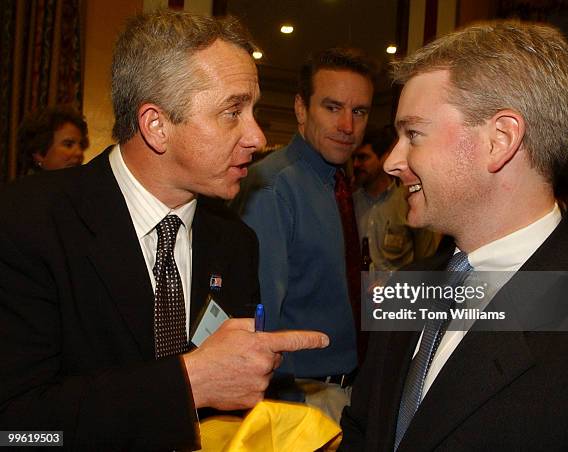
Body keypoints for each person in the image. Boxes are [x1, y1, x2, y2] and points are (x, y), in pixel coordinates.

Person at [0, 10, 329, 451]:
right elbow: (17, 430)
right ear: (156, 126)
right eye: (233, 111)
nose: (255, 136)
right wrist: (189, 382)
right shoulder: (27, 222)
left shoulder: (235, 244)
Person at [339, 20, 568, 451]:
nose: (393, 161)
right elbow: (361, 427)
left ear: (499, 139)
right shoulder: (411, 284)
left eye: (413, 134)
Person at [232, 47, 374, 420]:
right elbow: (261, 320)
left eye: (359, 112)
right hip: (301, 399)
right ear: (300, 109)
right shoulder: (275, 186)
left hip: (348, 391)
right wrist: (282, 406)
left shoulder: (339, 185)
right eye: (332, 107)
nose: (347, 125)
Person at [352, 126, 438, 271]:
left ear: (383, 158)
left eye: (363, 157)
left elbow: (428, 262)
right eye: (353, 158)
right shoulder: (348, 204)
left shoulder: (410, 202)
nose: (355, 164)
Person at [17, 105, 89, 175]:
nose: (79, 153)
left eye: (81, 146)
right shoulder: (23, 187)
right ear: (39, 154)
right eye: (68, 145)